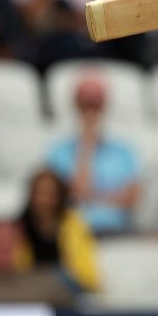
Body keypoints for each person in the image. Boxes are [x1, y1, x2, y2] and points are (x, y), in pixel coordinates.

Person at [45, 76, 140, 234]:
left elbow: (131, 200)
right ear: (76, 105)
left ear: (105, 105)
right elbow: (73, 195)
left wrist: (90, 196)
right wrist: (87, 144)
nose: (91, 110)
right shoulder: (57, 151)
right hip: (73, 232)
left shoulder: (125, 151)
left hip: (119, 230)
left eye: (96, 103)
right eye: (86, 103)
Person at [0, 219, 76, 307]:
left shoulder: (44, 283)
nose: (1, 246)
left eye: (7, 241)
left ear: (19, 245)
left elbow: (72, 309)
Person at [16, 170, 100, 293]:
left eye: (49, 193)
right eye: (40, 193)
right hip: (28, 286)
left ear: (59, 196)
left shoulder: (74, 224)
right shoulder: (19, 226)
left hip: (66, 285)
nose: (44, 199)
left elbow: (83, 271)